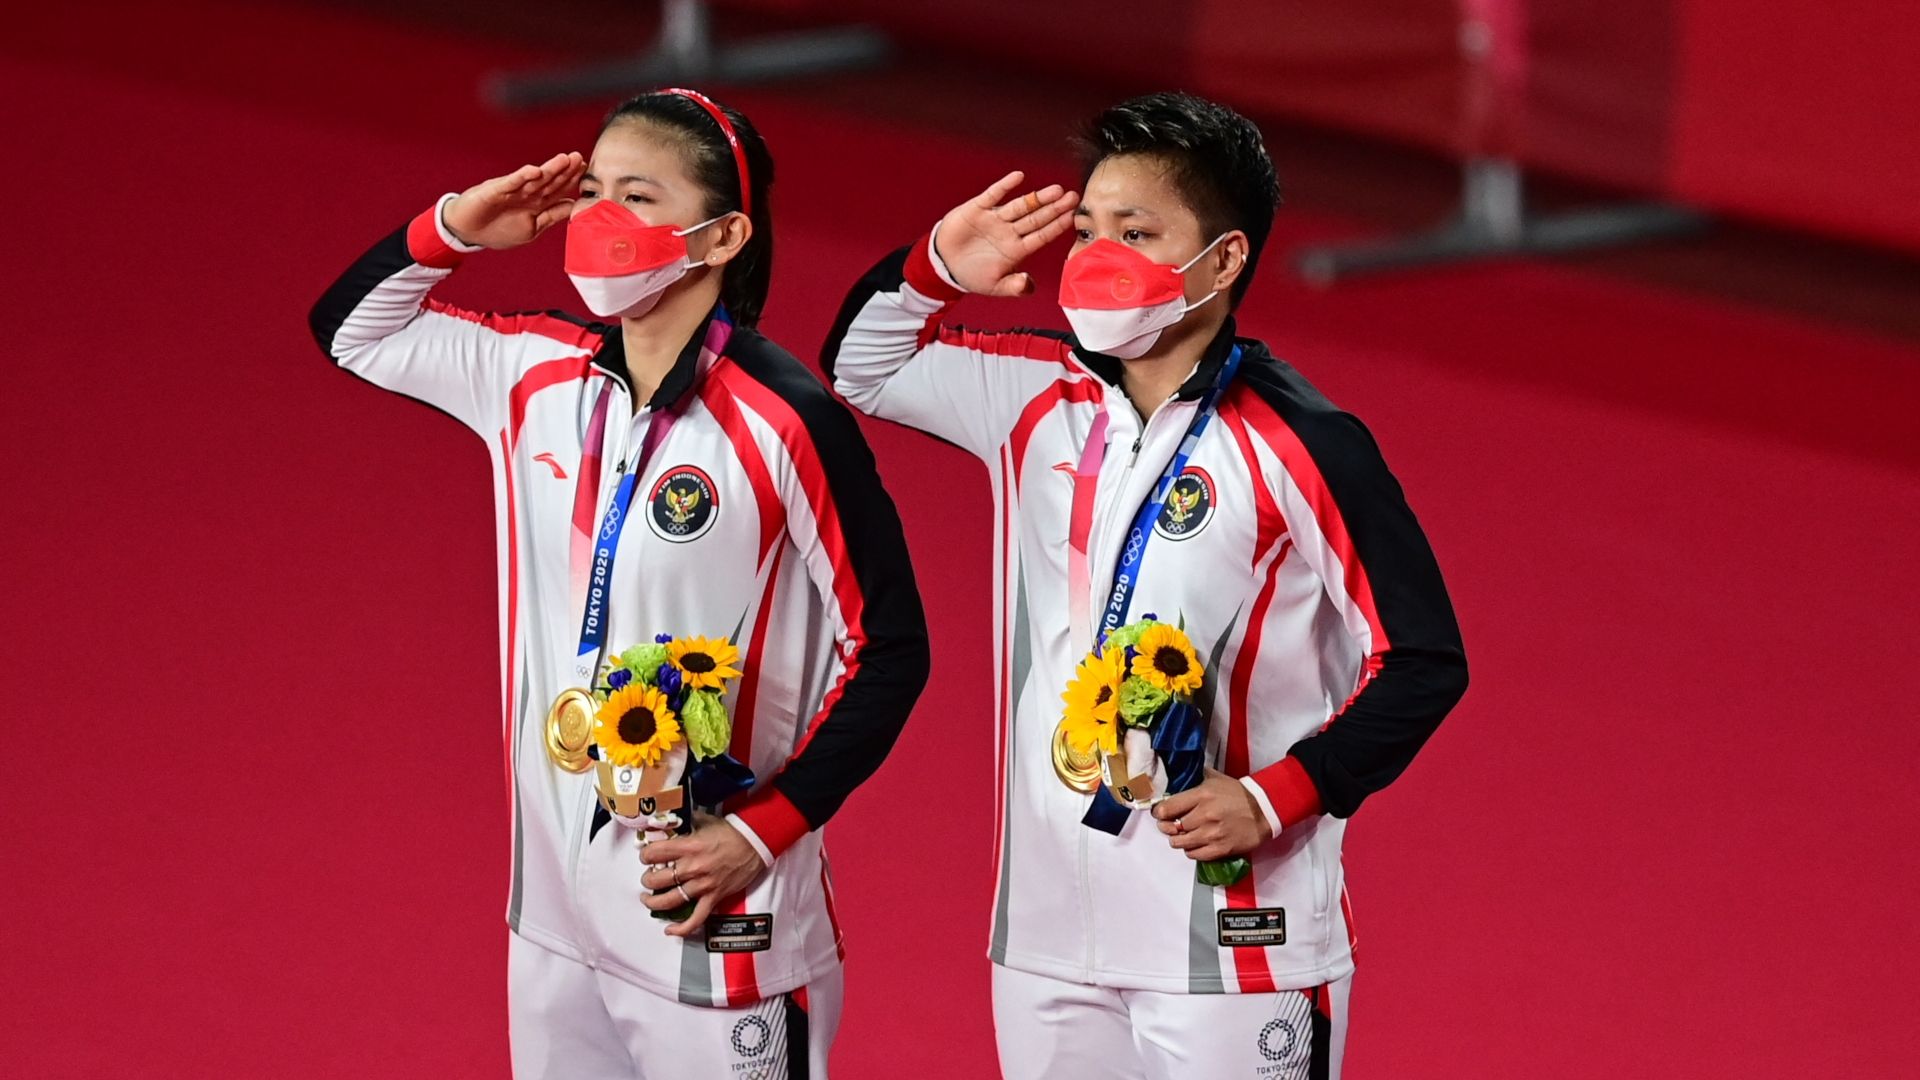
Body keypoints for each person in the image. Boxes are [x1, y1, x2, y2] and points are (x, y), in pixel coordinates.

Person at [822, 91, 1467, 1079]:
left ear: (1223, 260)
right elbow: (859, 367)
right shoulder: (1034, 396)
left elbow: (1422, 659)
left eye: (1135, 230)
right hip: (1049, 935)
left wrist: (1278, 796)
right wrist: (937, 269)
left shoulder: (1306, 443)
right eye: (1086, 227)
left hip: (1236, 942)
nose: (1094, 254)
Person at [309, 88, 929, 1079]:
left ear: (722, 234)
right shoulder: (534, 373)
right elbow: (353, 332)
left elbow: (892, 647)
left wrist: (764, 830)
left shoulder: (788, 422)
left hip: (721, 924)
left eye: (636, 196)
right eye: (592, 189)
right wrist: (458, 227)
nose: (599, 218)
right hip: (555, 914)